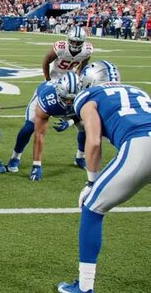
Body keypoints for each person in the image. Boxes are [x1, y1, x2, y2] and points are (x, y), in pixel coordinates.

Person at [57, 61, 150, 293]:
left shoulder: (88, 95)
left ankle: (85, 286)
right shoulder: (139, 90)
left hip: (140, 146)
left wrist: (91, 182)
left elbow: (95, 140)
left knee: (92, 208)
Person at [6, 72, 83, 181]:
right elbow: (40, 134)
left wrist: (69, 122)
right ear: (59, 92)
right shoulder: (48, 98)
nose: (69, 102)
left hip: (69, 109)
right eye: (66, 98)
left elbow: (86, 117)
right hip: (47, 103)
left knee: (84, 127)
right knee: (29, 128)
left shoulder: (84, 96)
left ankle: (80, 157)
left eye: (72, 99)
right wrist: (36, 166)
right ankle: (15, 157)